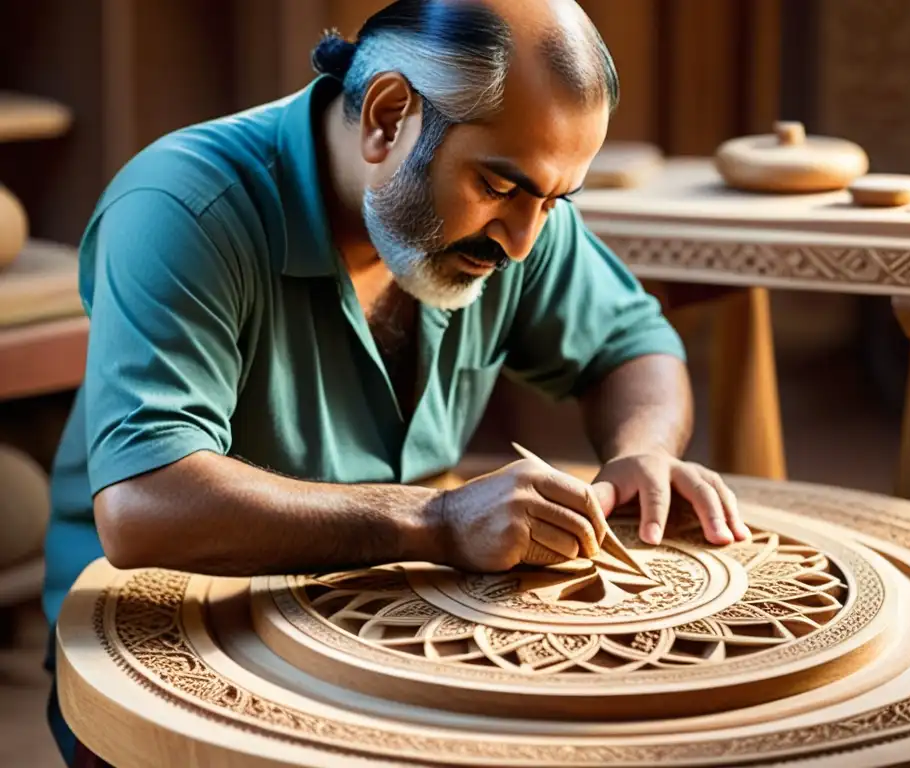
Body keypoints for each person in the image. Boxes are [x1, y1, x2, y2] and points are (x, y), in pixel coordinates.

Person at [41, 0, 750, 763]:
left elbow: (632, 342)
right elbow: (145, 506)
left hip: (381, 614)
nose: (523, 242)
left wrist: (641, 448)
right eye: (500, 188)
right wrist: (435, 522)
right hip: (166, 643)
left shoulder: (520, 211)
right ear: (387, 117)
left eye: (555, 202)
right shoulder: (183, 206)